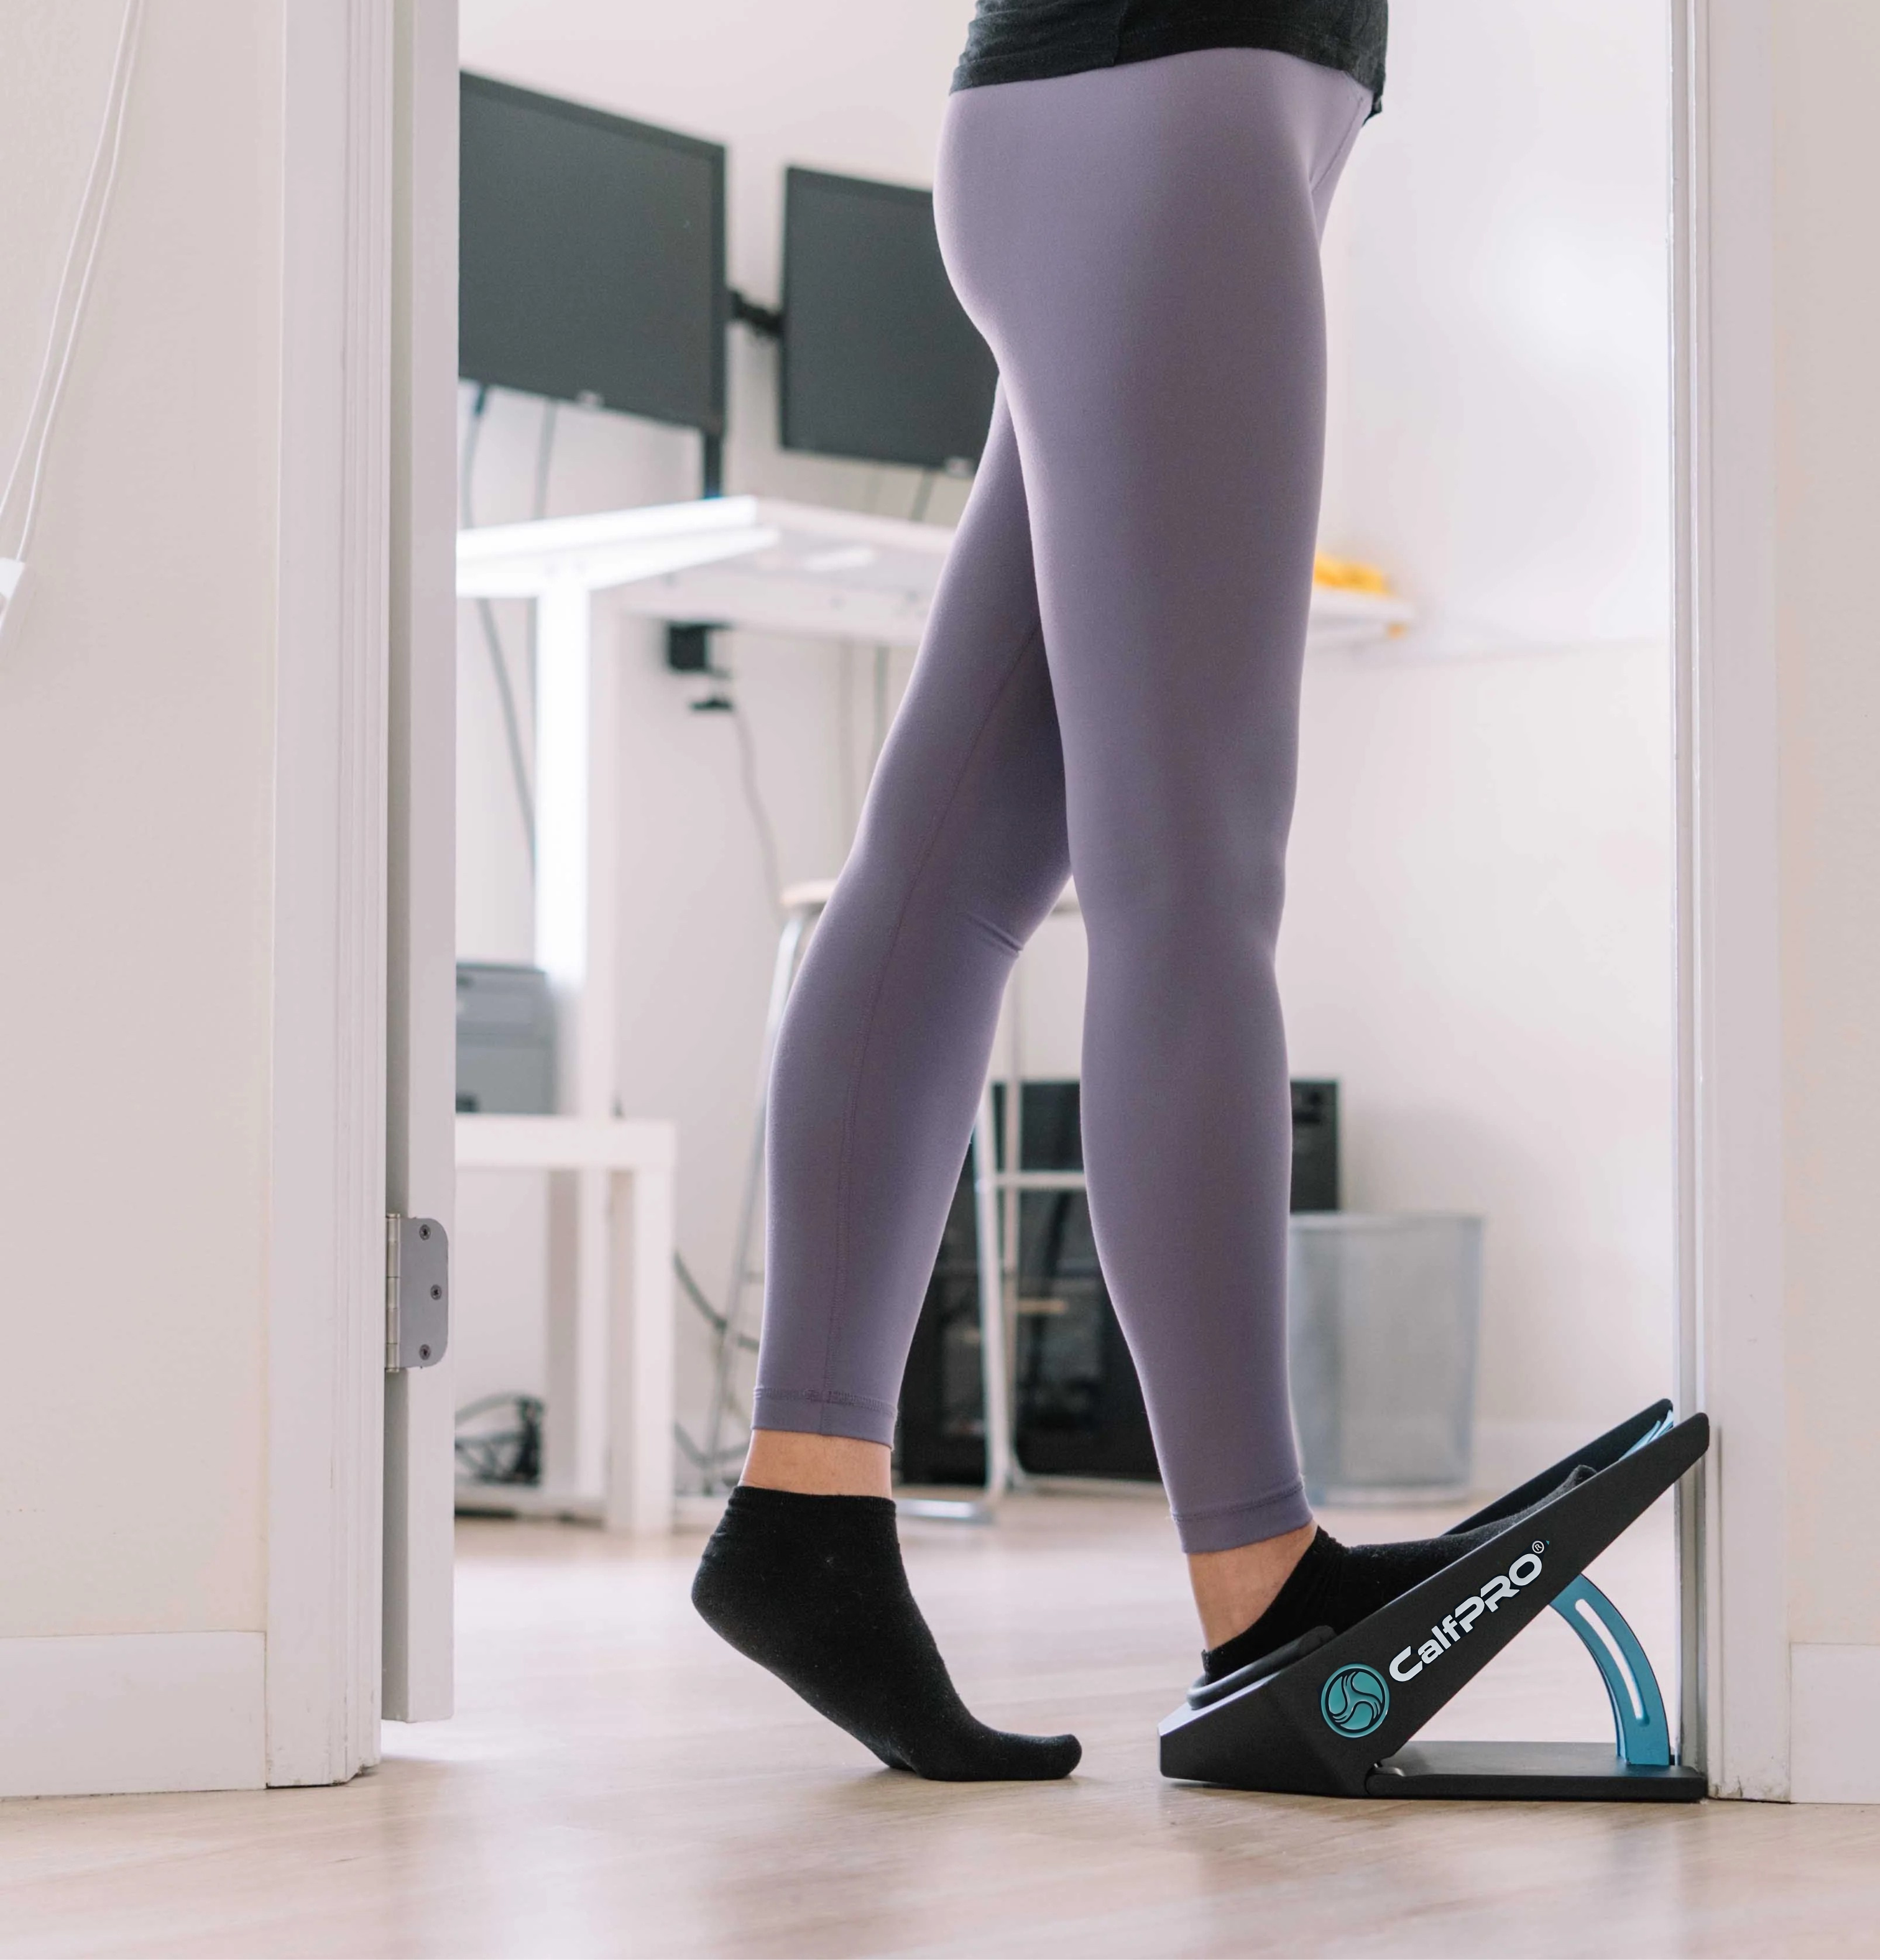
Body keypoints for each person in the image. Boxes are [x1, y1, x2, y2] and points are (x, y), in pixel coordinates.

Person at [691, 0, 1508, 1783]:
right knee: (1192, 870)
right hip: (1170, 107)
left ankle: (805, 1516)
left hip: (1130, 116)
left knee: (962, 859)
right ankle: (1262, 1586)